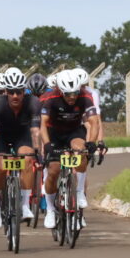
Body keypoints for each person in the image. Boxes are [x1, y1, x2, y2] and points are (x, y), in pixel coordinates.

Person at [39, 70, 100, 229]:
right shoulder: (49, 98)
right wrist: (47, 145)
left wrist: (92, 143)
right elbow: (42, 124)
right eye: (68, 94)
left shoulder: (85, 96)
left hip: (74, 131)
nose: (72, 97)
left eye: (75, 93)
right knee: (53, 170)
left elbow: (94, 122)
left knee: (81, 151)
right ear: (60, 91)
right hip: (53, 133)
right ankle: (50, 209)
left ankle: (78, 192)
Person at [0, 69, 41, 229]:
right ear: (6, 92)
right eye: (11, 92)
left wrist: (38, 153)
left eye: (19, 92)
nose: (15, 96)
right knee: (0, 166)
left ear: (24, 91)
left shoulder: (34, 102)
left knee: (27, 159)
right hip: (1, 137)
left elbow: (35, 131)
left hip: (22, 136)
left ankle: (25, 204)